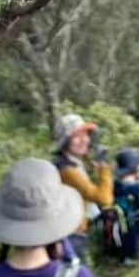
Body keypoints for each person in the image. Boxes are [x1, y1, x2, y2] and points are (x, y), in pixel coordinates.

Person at [52, 112, 113, 262]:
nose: (84, 140)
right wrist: (104, 169)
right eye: (76, 137)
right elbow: (104, 199)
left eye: (85, 135)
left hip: (71, 234)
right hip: (69, 237)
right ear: (66, 142)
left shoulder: (74, 164)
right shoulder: (67, 170)